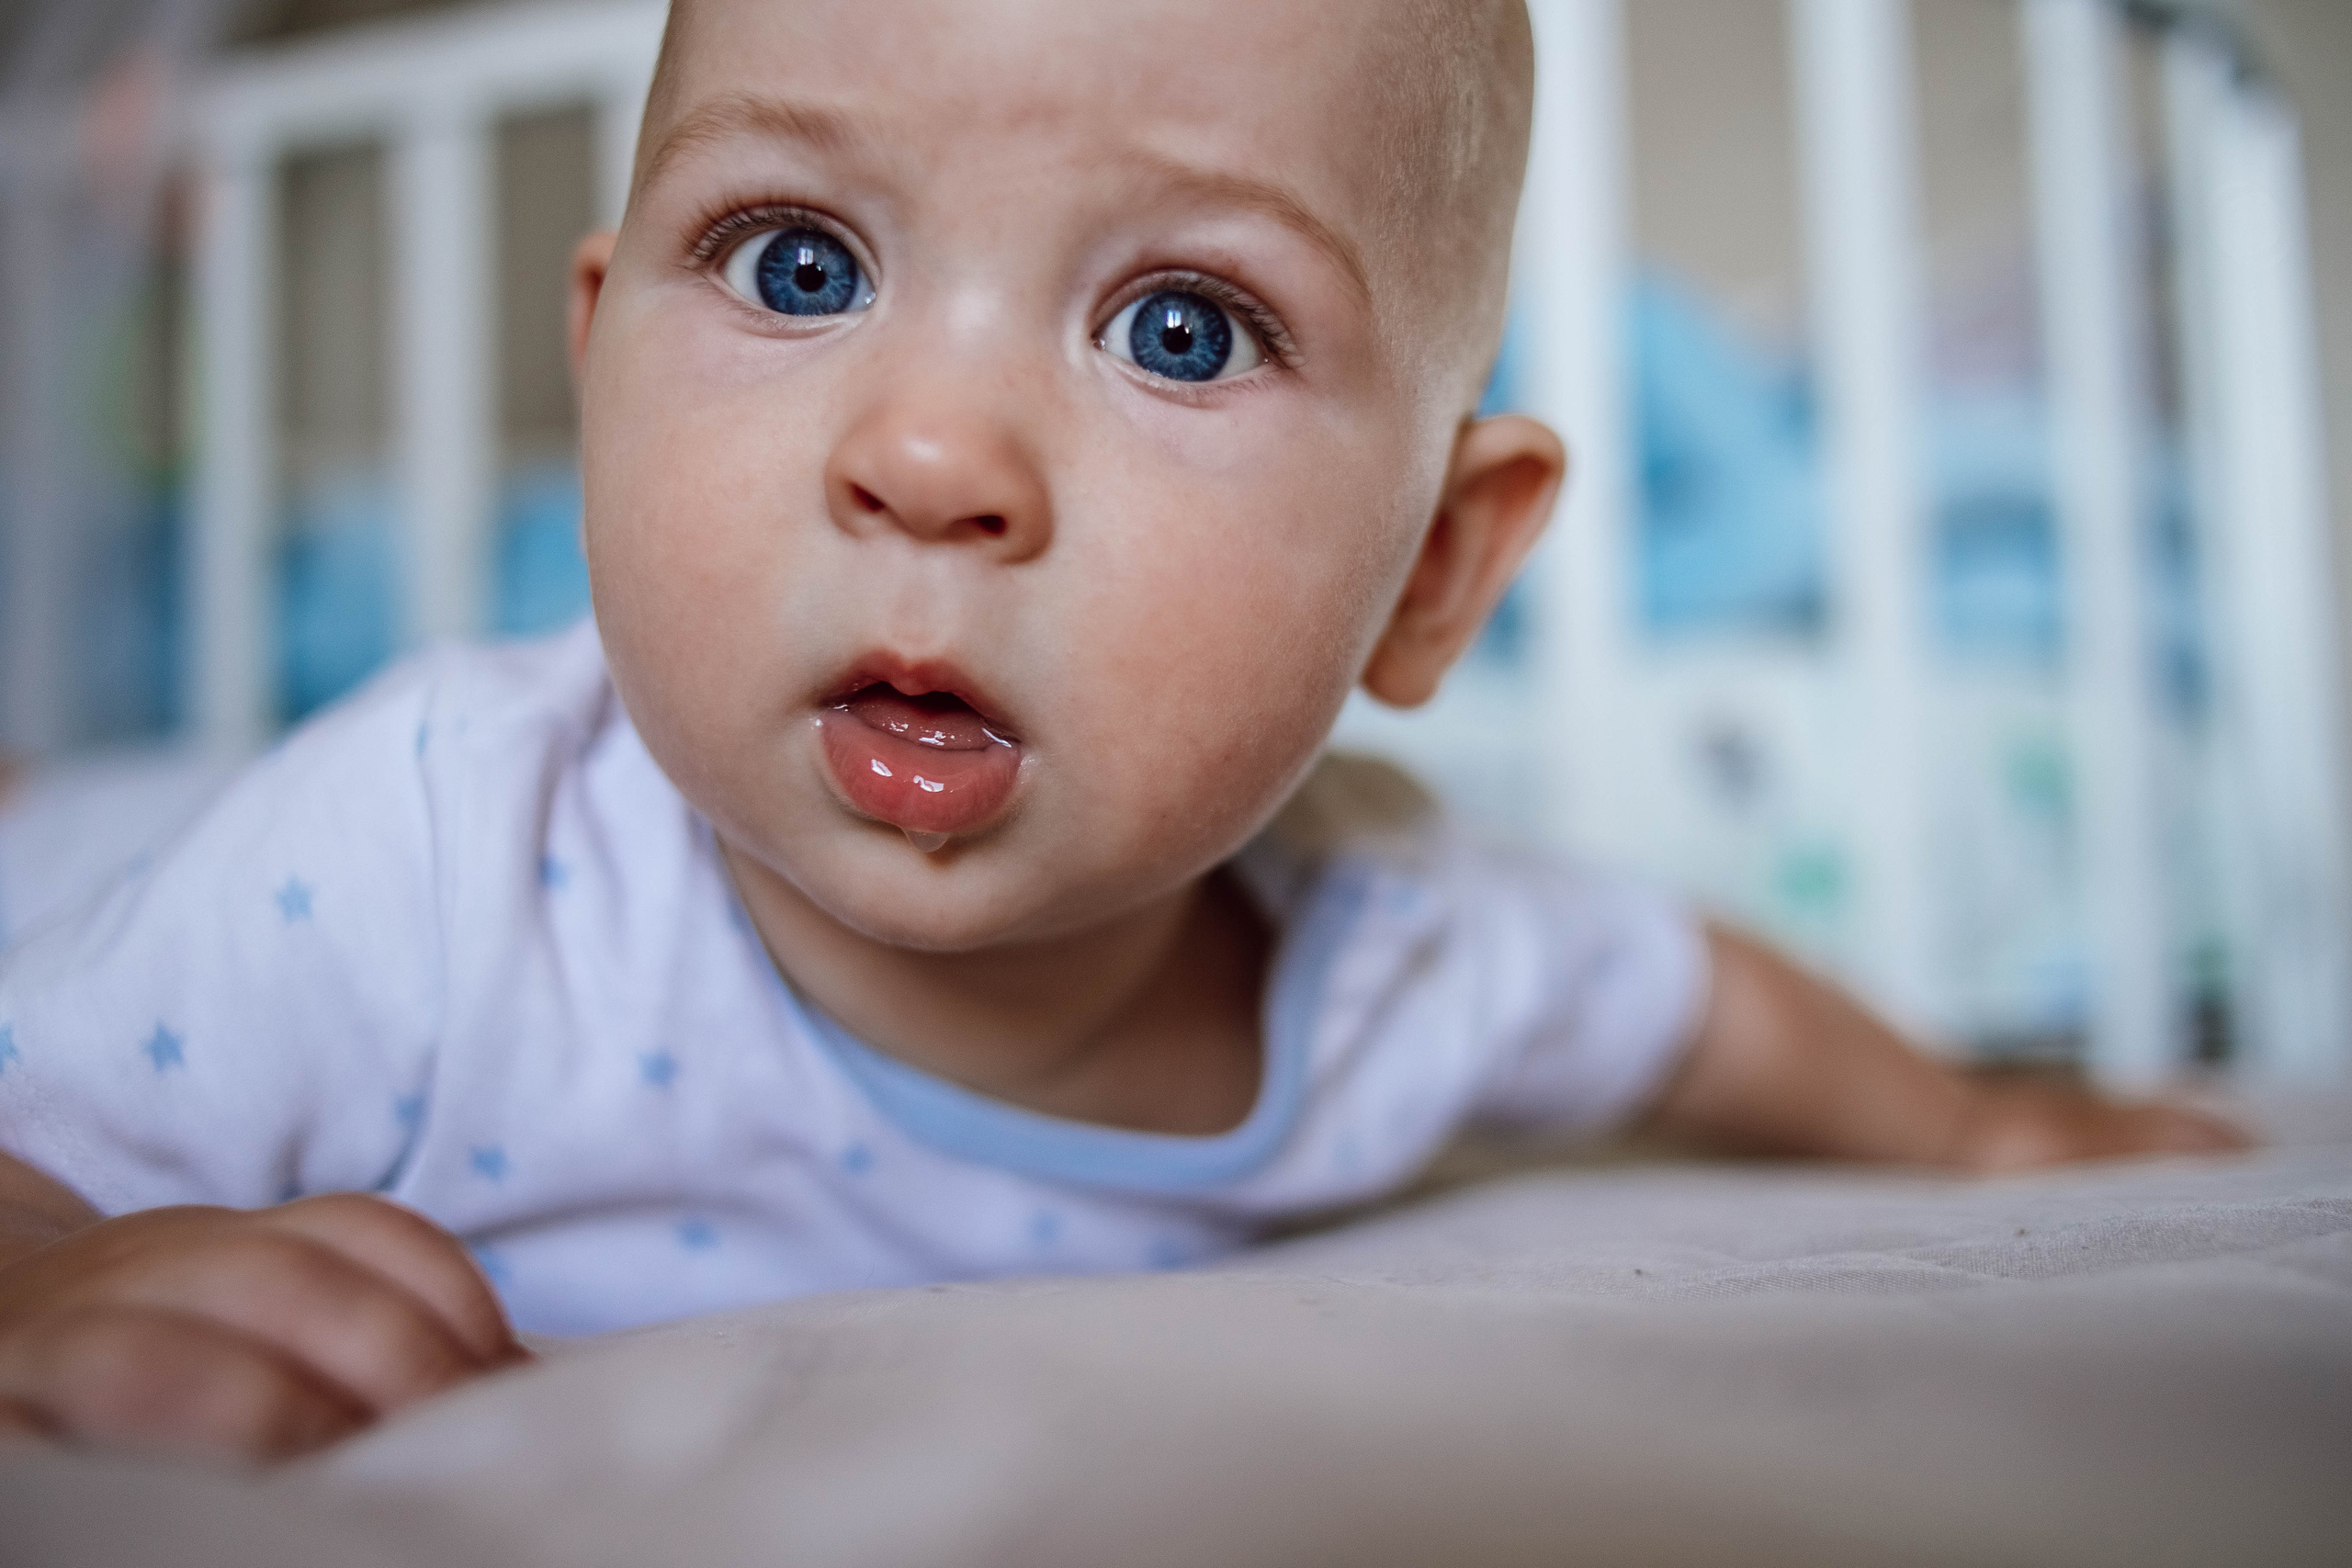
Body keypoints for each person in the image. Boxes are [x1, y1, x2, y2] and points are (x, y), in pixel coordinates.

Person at [0, 0, 2242, 1464]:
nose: (932, 454)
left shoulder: (1390, 962)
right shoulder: (422, 853)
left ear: (1433, 572)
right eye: (797, 266)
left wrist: (1964, 1129)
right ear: (598, 380)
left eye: (1180, 325)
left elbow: (1692, 1014)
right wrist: (51, 1262)